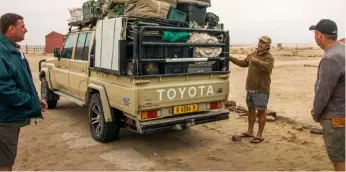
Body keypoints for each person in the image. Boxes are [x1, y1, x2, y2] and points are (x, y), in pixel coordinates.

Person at [0, 13, 47, 171]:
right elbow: (4, 88)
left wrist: (36, 99)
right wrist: (30, 101)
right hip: (5, 118)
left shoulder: (12, 49)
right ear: (11, 29)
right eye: (23, 26)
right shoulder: (2, 52)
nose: (26, 30)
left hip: (9, 116)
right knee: (5, 163)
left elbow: (21, 80)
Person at [309, 19, 345, 171]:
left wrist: (316, 114)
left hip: (336, 118)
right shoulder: (342, 49)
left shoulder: (330, 58)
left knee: (339, 159)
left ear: (319, 36)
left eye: (315, 33)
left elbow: (323, 93)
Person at [229, 36, 275, 144]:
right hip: (250, 88)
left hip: (261, 89)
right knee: (250, 110)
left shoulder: (269, 57)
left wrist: (254, 60)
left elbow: (266, 67)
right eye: (259, 42)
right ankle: (250, 132)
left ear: (268, 45)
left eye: (263, 43)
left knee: (261, 111)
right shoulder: (254, 53)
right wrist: (230, 58)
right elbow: (243, 63)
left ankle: (259, 135)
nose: (260, 44)